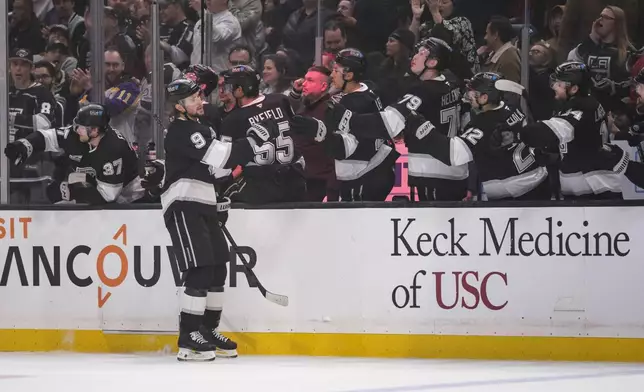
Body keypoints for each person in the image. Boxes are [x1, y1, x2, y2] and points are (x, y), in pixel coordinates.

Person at [161, 78, 281, 361]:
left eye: (199, 97)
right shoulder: (182, 131)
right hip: (183, 204)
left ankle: (207, 329)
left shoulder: (200, 128)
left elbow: (217, 172)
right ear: (179, 106)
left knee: (217, 269)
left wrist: (226, 191)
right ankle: (188, 337)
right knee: (200, 269)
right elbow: (222, 156)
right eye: (192, 99)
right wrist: (253, 141)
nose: (199, 102)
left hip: (204, 203)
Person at [315, 71, 552, 201]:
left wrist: (417, 122)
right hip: (536, 181)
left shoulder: (487, 121)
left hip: (517, 193)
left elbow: (454, 153)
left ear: (485, 97)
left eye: (473, 93)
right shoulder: (512, 109)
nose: (468, 96)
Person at [332, 38, 469, 201]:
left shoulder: (422, 91)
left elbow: (387, 124)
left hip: (434, 174)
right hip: (458, 172)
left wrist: (348, 119)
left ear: (432, 62)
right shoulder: (452, 84)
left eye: (421, 53)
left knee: (431, 225)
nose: (415, 57)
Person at [292, 48, 399, 201]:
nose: (331, 74)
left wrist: (319, 132)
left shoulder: (350, 103)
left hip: (364, 175)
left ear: (349, 75)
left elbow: (344, 148)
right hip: (379, 168)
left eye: (336, 70)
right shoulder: (369, 89)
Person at [4, 104, 145, 204]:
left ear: (94, 131)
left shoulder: (113, 148)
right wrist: (24, 145)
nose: (76, 129)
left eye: (81, 127)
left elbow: (108, 196)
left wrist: (74, 192)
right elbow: (47, 137)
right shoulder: (76, 134)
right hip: (99, 181)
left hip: (130, 193)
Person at [218, 65, 306, 203]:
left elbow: (225, 160)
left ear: (240, 90)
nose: (226, 90)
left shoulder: (232, 119)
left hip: (259, 186)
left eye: (230, 87)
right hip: (294, 178)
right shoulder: (280, 100)